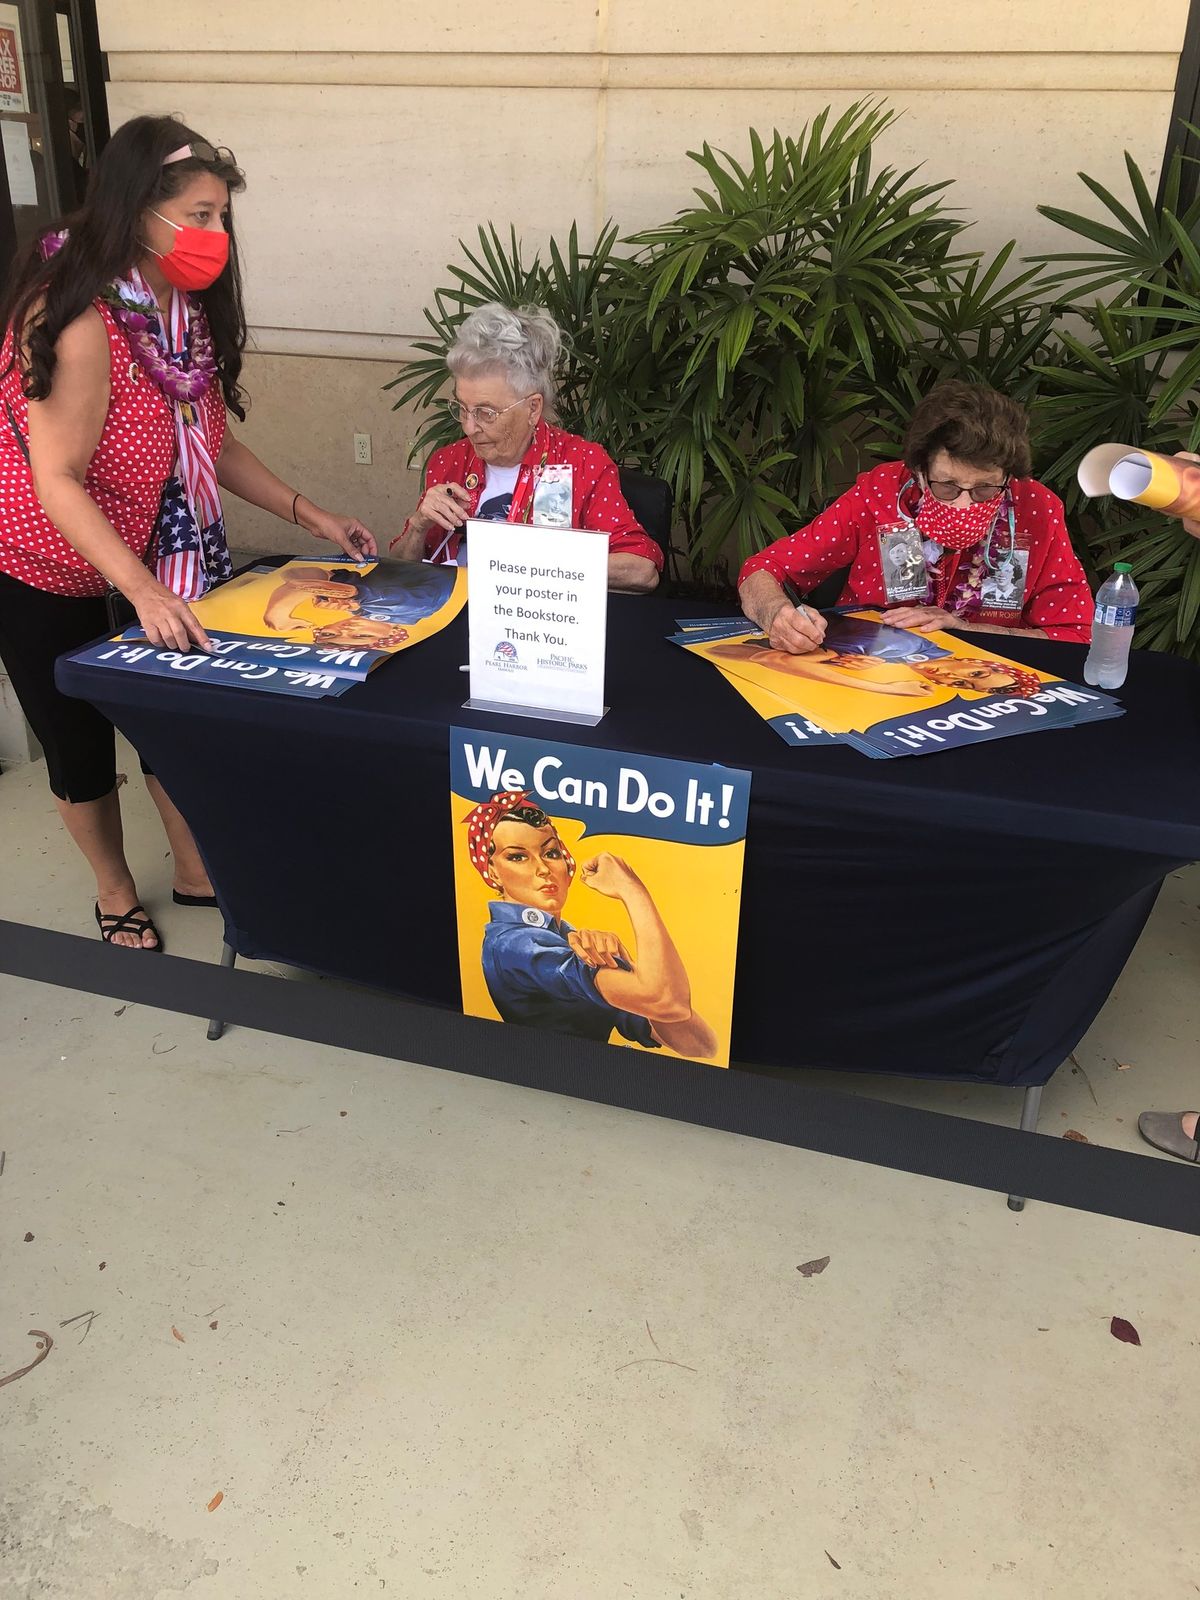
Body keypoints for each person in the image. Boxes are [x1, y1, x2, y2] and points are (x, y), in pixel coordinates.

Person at [0, 115, 377, 949]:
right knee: (79, 748)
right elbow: (54, 478)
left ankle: (197, 870)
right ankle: (113, 890)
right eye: (200, 214)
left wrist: (310, 514)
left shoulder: (179, 308)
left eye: (222, 216)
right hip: (43, 562)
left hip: (149, 551)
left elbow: (215, 442)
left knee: (171, 720)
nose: (217, 234)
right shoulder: (82, 320)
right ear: (140, 209)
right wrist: (143, 592)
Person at [737, 381, 1093, 654]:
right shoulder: (880, 491)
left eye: (985, 489)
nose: (963, 506)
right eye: (947, 486)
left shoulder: (1037, 508)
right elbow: (764, 569)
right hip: (865, 673)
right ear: (920, 471)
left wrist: (962, 628)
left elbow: (1076, 634)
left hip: (985, 691)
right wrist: (777, 616)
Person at [390, 303, 662, 592]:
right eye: (462, 408)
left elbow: (642, 570)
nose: (469, 427)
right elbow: (400, 566)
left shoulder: (580, 462)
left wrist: (537, 565)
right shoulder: (450, 460)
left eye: (486, 412)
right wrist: (419, 525)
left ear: (532, 408)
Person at [462, 791, 717, 1058]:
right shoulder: (515, 944)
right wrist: (632, 890)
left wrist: (627, 966)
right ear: (492, 871)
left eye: (550, 852)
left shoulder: (566, 938)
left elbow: (701, 1045)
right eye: (517, 857)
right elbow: (666, 1001)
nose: (543, 868)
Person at [705, 634, 1043, 699]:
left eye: (966, 686)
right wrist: (880, 687)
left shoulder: (900, 661)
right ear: (975, 660)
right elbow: (772, 659)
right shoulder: (909, 646)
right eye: (974, 675)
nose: (952, 679)